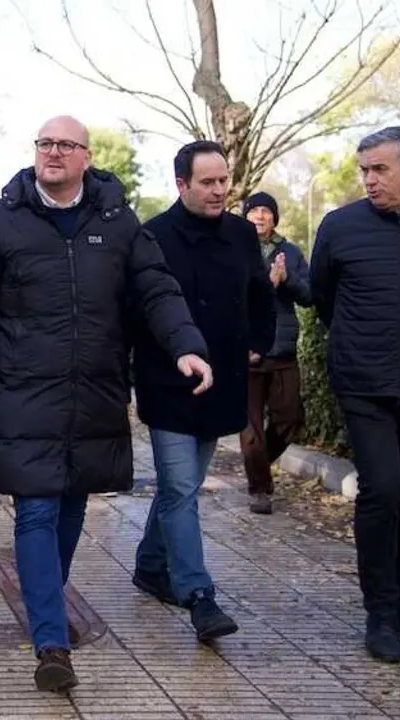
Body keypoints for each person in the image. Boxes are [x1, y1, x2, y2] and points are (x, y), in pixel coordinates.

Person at [0, 115, 211, 693]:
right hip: (25, 393)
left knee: (70, 512)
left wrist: (186, 346)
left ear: (87, 156)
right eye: (45, 143)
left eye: (66, 145)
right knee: (37, 511)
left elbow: (157, 289)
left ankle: (46, 605)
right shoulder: (1, 221)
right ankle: (50, 641)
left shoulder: (117, 222)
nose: (54, 153)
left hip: (95, 393)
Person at [311, 126, 400, 663]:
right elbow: (323, 298)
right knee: (384, 491)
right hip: (364, 383)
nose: (369, 180)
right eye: (364, 170)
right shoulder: (340, 226)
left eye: (379, 169)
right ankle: (379, 612)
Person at [131, 141, 275, 643]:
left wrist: (259, 344)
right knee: (179, 487)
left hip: (225, 381)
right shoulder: (152, 236)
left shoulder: (240, 233)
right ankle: (198, 594)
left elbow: (261, 294)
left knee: (182, 485)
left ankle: (151, 565)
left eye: (223, 181)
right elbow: (137, 310)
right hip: (168, 382)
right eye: (208, 182)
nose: (219, 191)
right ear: (181, 184)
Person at [239, 191, 312, 514]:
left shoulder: (290, 252)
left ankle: (257, 466)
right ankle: (259, 489)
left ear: (274, 218)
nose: (259, 216)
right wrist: (266, 284)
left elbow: (309, 295)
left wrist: (286, 279)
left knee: (289, 419)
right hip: (246, 349)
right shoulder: (235, 249)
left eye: (266, 211)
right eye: (254, 211)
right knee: (250, 429)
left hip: (281, 351)